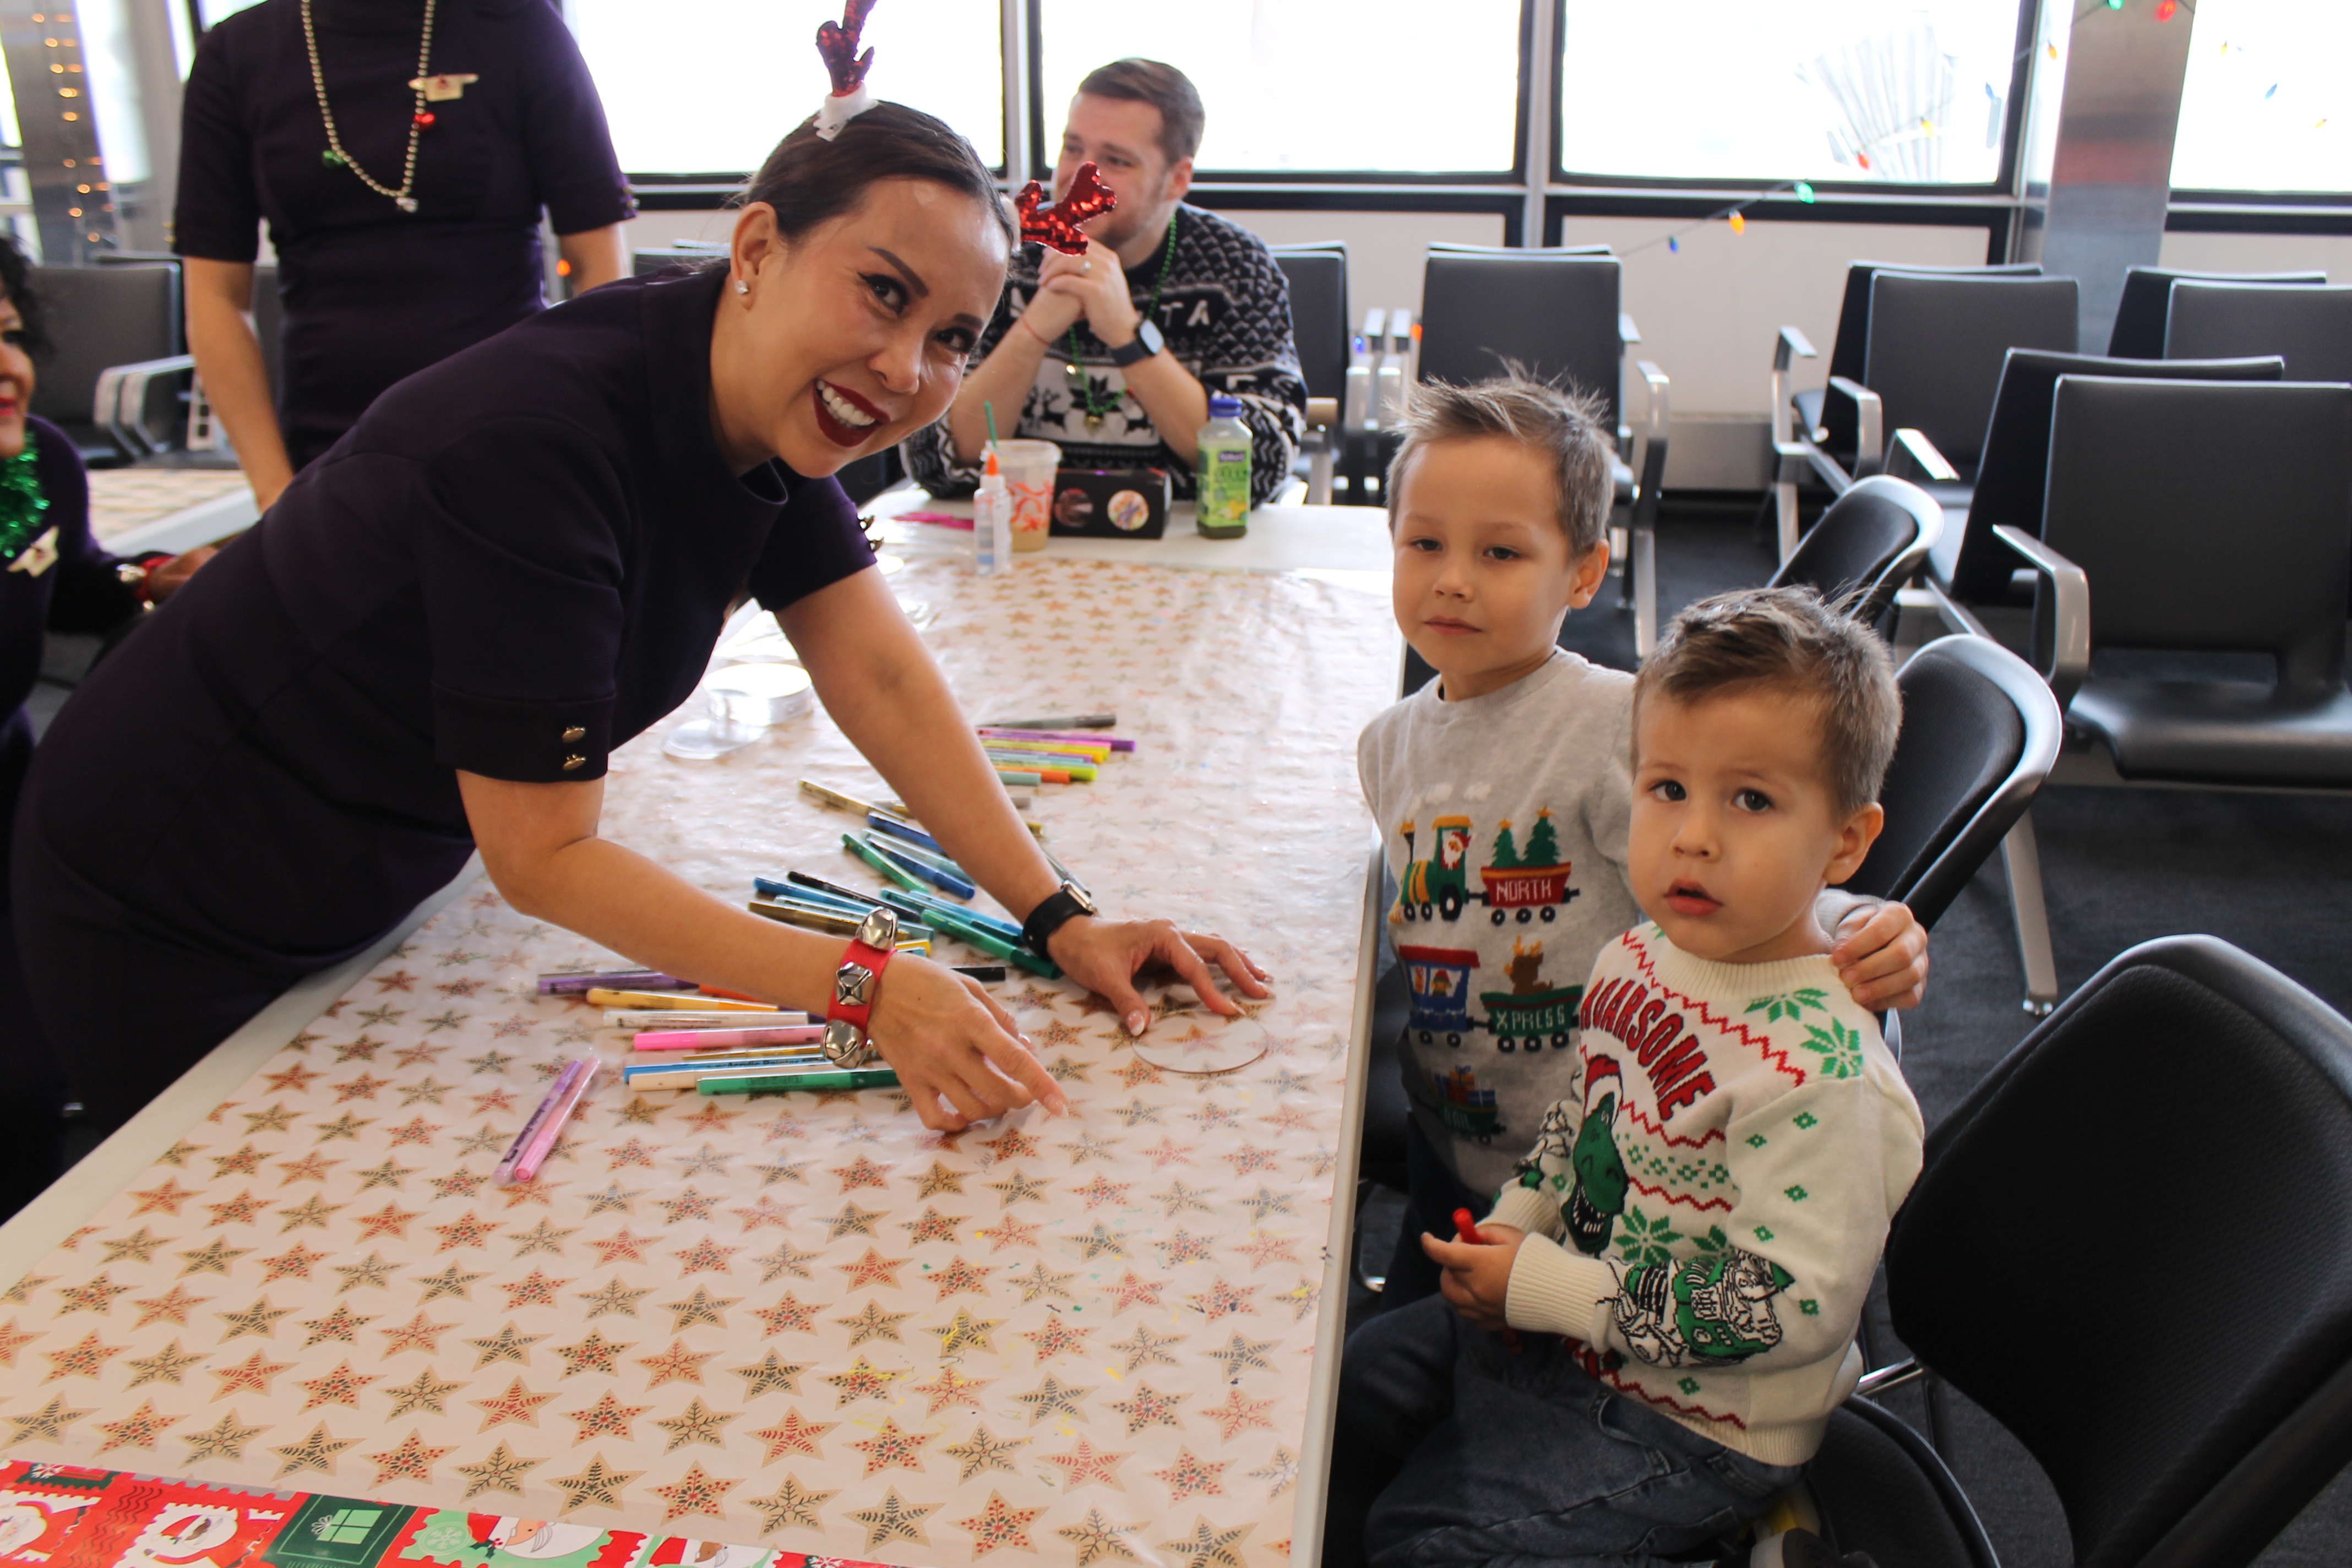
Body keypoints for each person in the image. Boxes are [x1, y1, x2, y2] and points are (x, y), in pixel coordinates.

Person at [14, 100, 1264, 1141]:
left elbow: (879, 676)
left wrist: (1059, 916)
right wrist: (865, 984)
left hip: (360, 873)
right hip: (168, 891)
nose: (905, 370)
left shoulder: (766, 406)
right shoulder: (539, 445)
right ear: (760, 246)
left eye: (950, 338)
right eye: (882, 293)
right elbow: (544, 855)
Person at [1330, 585, 1926, 1568]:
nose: (1693, 835)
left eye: (1750, 800)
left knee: (1419, 1543)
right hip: (1574, 1328)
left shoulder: (1827, 1078)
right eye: (1667, 788)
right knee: (1359, 1383)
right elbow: (1581, 1118)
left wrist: (1549, 1288)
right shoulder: (1638, 955)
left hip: (1700, 1424)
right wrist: (1520, 1221)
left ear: (1848, 842)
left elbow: (1774, 1306)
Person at [1354, 375, 1929, 1307]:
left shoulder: (1619, 726)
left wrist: (1858, 919)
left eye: (1500, 551)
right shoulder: (1386, 745)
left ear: (1584, 574)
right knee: (1415, 1338)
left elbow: (1737, 869)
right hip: (1451, 1127)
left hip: (1605, 1167)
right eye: (1425, 544)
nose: (1453, 578)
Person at [175, 0, 637, 509]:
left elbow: (599, 271)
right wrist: (273, 492)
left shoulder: (518, 25)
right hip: (328, 449)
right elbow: (216, 297)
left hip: (515, 432)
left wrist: (600, 438)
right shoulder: (237, 53)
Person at [0, 241, 209, 1215]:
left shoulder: (34, 460)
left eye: (10, 335)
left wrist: (150, 577)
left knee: (23, 1088)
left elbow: (72, 581)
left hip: (11, 806)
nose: (7, 367)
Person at [905, 58, 1304, 508]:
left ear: (1177, 179)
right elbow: (932, 460)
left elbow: (1263, 466)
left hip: (1180, 537)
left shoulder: (1236, 265)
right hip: (1026, 531)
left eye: (1116, 160)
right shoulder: (1003, 251)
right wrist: (1034, 331)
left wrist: (1128, 336)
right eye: (1072, 148)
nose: (1080, 176)